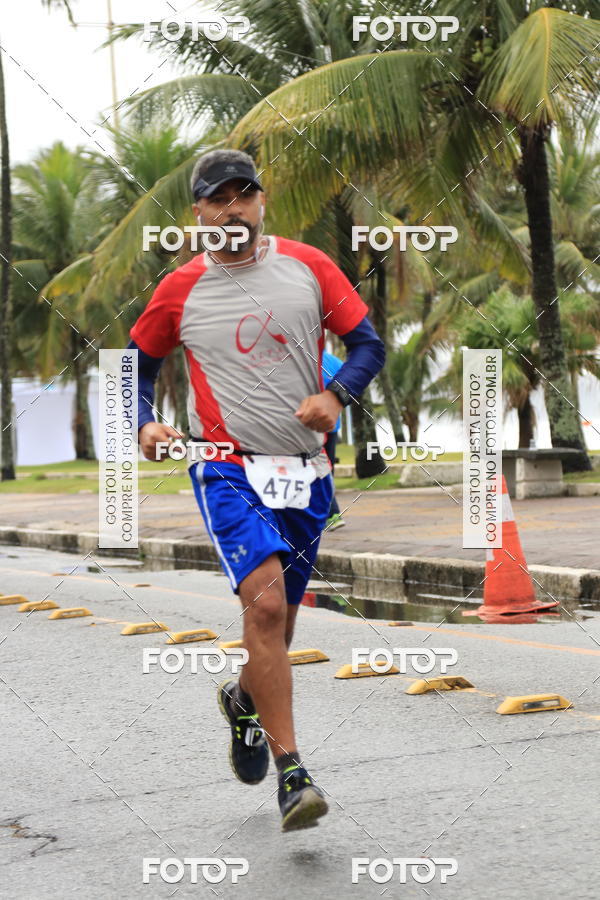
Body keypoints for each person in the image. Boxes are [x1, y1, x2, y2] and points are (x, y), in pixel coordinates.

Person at [127, 149, 385, 832]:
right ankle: (293, 774)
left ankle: (245, 701)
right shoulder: (179, 289)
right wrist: (146, 420)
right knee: (265, 609)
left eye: (245, 195)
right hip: (226, 467)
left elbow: (368, 346)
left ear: (261, 203)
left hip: (305, 470)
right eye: (219, 199)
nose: (233, 208)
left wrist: (337, 394)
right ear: (199, 213)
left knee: (280, 625)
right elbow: (135, 368)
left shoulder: (309, 267)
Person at [321, 349, 346, 530]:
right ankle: (328, 514)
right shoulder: (335, 362)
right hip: (333, 425)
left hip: (312, 426)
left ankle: (332, 514)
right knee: (326, 469)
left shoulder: (303, 360)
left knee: (320, 471)